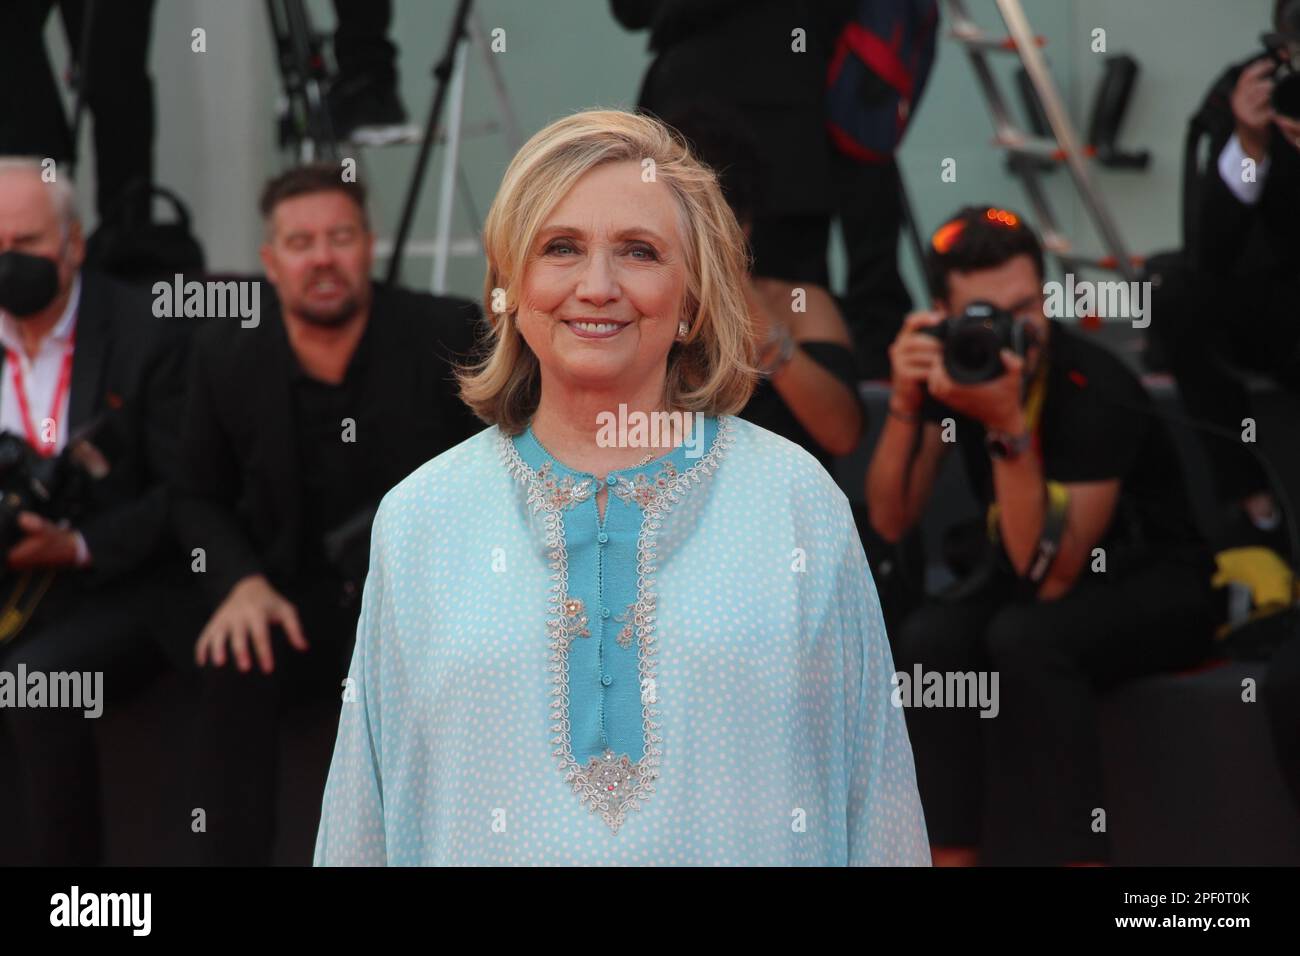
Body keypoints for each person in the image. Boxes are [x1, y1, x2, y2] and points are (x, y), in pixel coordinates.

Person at [313, 109, 929, 866]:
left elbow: (878, 795)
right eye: (560, 248)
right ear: (509, 287)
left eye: (639, 252)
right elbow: (360, 816)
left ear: (694, 299)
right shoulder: (421, 516)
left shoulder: (795, 501)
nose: (596, 287)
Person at [866, 205, 1215, 866]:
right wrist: (908, 406)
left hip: (1154, 579)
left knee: (1025, 639)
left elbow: (1047, 572)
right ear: (941, 313)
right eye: (986, 317)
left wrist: (1006, 428)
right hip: (1038, 573)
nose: (1013, 333)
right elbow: (889, 520)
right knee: (928, 641)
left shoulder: (1095, 385)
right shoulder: (956, 368)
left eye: (1026, 307)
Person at [174, 163, 482, 865]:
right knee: (234, 661)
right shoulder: (226, 358)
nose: (322, 257)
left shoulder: (447, 332)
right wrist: (238, 583)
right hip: (293, 599)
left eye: (340, 236)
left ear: (368, 244)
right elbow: (193, 493)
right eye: (301, 241)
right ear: (270, 262)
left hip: (426, 604)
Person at [0, 157, 189, 865]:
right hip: (10, 580)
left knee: (33, 686)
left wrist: (74, 545)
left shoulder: (148, 333)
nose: (7, 264)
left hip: (114, 583)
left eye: (24, 245)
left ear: (71, 244)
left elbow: (183, 493)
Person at [610, 0, 915, 380]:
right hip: (794, 105)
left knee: (732, 306)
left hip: (722, 103)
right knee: (776, 305)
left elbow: (631, 11)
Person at [1149, 0, 1300, 546]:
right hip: (1271, 306)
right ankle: (1254, 509)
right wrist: (1250, 145)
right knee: (1171, 290)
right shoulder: (1250, 89)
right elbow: (1208, 250)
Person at [662, 103, 864, 473]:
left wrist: (741, 293)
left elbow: (842, 434)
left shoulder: (799, 304)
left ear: (744, 225)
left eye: (714, 222)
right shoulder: (636, 307)